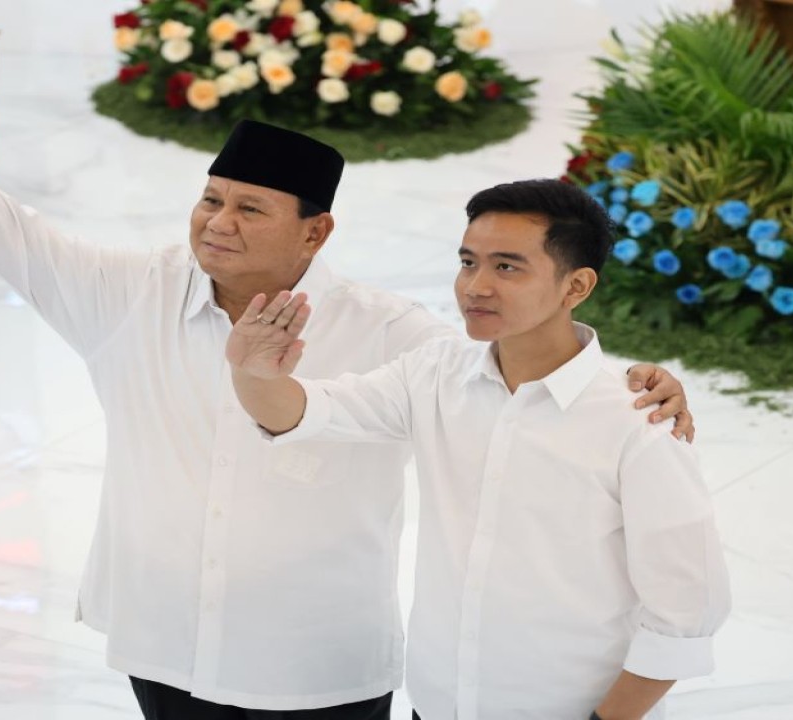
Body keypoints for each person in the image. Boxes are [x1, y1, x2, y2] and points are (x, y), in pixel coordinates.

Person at [0, 40, 696, 719]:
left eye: (250, 208)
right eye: (211, 199)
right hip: (160, 634)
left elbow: (508, 360)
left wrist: (637, 383)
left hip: (314, 664)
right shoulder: (131, 293)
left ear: (315, 234)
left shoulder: (390, 332)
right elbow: (10, 230)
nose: (218, 224)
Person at [228, 179, 730, 720]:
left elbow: (685, 613)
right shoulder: (434, 375)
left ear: (576, 286)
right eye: (469, 263)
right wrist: (252, 370)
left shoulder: (639, 419)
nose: (475, 286)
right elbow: (304, 412)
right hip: (437, 706)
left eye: (507, 267)